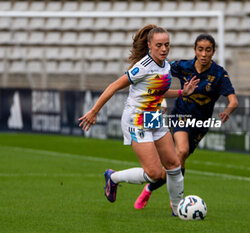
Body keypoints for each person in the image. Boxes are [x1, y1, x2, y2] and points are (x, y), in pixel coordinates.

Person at [78, 24, 199, 216]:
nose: (164, 49)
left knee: (173, 164)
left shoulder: (166, 65)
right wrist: (94, 111)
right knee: (154, 174)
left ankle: (178, 210)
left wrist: (182, 92)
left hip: (154, 117)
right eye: (159, 45)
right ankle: (113, 177)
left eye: (167, 45)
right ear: (150, 45)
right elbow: (114, 86)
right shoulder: (142, 67)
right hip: (136, 120)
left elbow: (159, 91)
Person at [134, 34, 239, 209]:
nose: (204, 54)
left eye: (208, 50)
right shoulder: (184, 66)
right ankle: (177, 202)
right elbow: (159, 73)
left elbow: (234, 101)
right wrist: (160, 98)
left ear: (213, 52)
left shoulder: (219, 74)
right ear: (194, 50)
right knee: (181, 151)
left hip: (200, 124)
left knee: (173, 166)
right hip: (181, 116)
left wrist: (228, 110)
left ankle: (149, 189)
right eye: (200, 49)